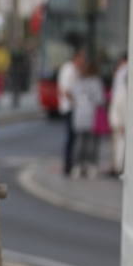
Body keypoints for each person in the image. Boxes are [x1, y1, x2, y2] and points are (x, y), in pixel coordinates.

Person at [68, 59, 105, 179]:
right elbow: (100, 100)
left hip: (79, 116)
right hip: (92, 116)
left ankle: (77, 167)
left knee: (79, 143)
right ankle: (91, 167)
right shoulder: (96, 82)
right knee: (92, 143)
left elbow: (70, 94)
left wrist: (77, 102)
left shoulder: (77, 82)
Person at [57, 46, 84, 175]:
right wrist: (77, 103)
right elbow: (66, 90)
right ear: (76, 58)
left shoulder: (73, 69)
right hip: (70, 107)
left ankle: (69, 164)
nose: (83, 62)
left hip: (71, 106)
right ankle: (68, 165)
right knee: (70, 138)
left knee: (72, 137)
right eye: (81, 58)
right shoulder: (69, 70)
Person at [109, 55, 128, 178]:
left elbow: (117, 103)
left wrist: (117, 122)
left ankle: (119, 167)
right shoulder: (123, 73)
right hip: (121, 118)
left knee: (120, 144)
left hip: (120, 118)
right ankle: (118, 167)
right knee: (120, 144)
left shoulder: (122, 72)